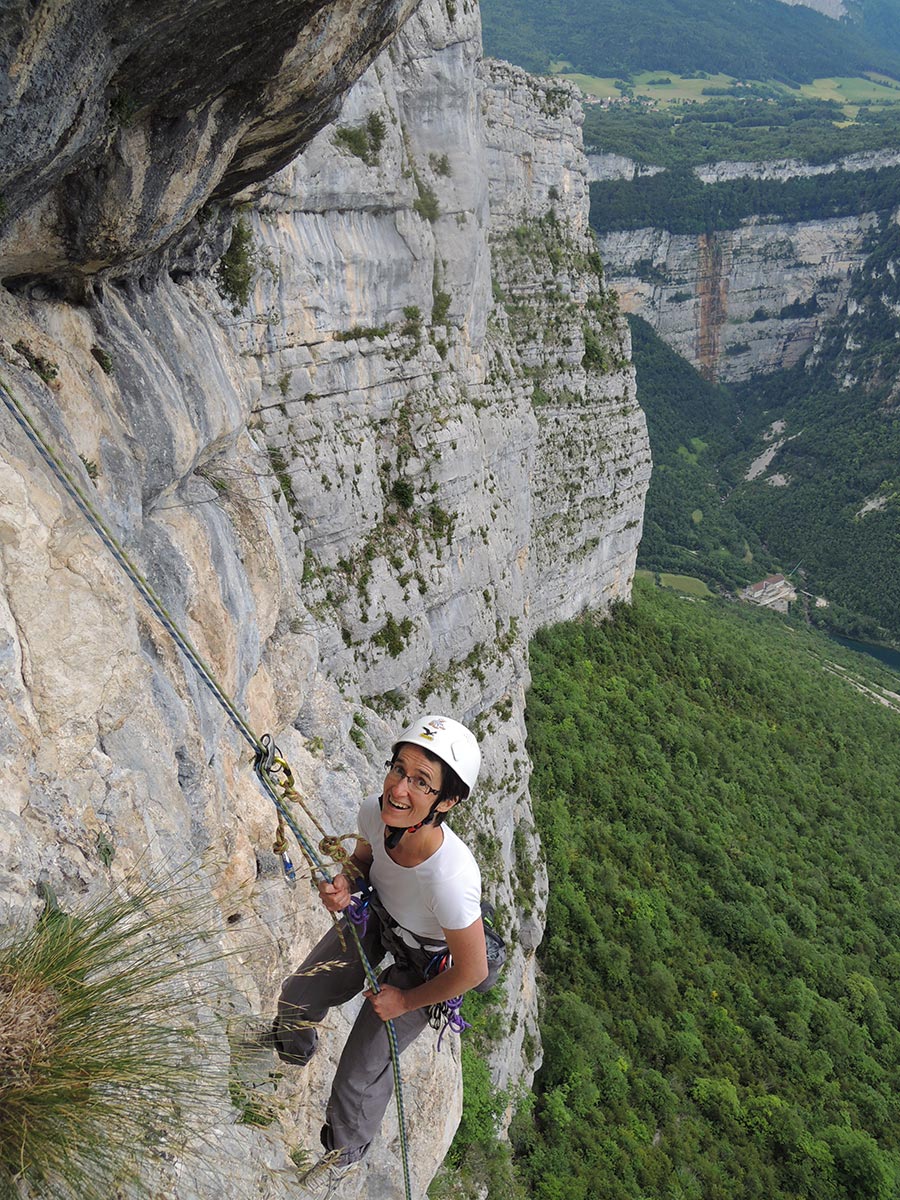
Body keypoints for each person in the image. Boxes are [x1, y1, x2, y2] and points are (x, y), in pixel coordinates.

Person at [273, 714, 488, 1193]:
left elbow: (473, 969)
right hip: (380, 920)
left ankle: (345, 1151)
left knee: (357, 1079)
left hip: (426, 965)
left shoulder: (450, 879)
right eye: (398, 769)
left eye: (421, 782)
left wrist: (405, 1003)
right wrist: (346, 885)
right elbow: (365, 863)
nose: (399, 789)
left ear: (447, 802)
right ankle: (288, 1057)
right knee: (296, 998)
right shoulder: (376, 812)